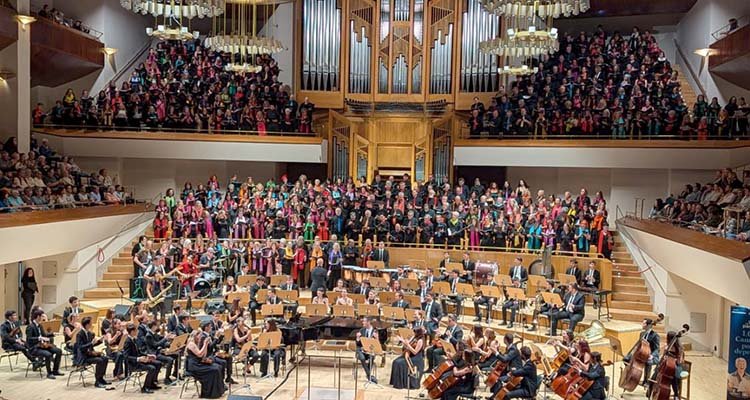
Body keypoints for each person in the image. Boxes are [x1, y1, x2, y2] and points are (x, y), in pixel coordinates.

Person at [185, 330, 226, 399]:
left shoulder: (196, 343)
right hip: (194, 366)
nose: (200, 337)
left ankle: (219, 391)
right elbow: (199, 354)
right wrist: (204, 344)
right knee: (214, 369)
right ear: (195, 336)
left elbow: (203, 355)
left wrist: (206, 345)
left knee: (218, 367)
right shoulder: (191, 344)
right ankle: (209, 393)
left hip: (199, 363)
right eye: (199, 335)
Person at [123, 322, 162, 393]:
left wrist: (148, 355)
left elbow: (139, 352)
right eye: (136, 330)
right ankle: (145, 387)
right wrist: (138, 359)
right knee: (152, 368)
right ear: (132, 332)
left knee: (158, 363)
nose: (138, 332)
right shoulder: (128, 342)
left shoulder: (134, 339)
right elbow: (126, 357)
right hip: (133, 364)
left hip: (140, 361)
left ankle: (152, 383)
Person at [73, 316, 110, 388]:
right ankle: (97, 381)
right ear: (87, 325)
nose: (92, 324)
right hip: (83, 357)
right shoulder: (79, 334)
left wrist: (100, 341)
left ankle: (101, 378)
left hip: (89, 354)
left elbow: (92, 344)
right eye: (90, 323)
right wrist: (91, 343)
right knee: (99, 360)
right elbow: (80, 347)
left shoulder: (89, 333)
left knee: (105, 358)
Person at [26, 309, 63, 379]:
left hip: (43, 346)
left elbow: (45, 335)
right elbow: (29, 339)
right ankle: (49, 373)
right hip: (34, 348)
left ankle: (55, 370)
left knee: (59, 351)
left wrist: (52, 334)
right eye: (42, 316)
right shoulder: (30, 327)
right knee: (48, 354)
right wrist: (39, 338)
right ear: (38, 317)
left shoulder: (40, 325)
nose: (43, 318)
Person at [624, 317, 660, 386]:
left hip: (650, 355)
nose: (642, 324)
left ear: (648, 325)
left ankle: (646, 381)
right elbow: (639, 345)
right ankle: (631, 376)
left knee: (648, 362)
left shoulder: (655, 335)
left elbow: (657, 349)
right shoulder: (642, 333)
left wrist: (651, 355)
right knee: (626, 358)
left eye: (643, 323)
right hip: (641, 353)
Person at [355, 317, 379, 383]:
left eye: (364, 321)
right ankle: (369, 376)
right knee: (362, 358)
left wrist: (377, 338)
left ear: (368, 322)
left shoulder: (375, 331)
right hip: (361, 350)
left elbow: (376, 344)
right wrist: (357, 338)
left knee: (372, 357)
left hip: (370, 351)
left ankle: (368, 375)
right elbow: (358, 344)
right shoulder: (361, 330)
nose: (362, 323)